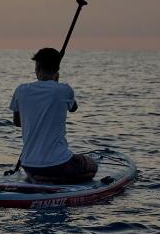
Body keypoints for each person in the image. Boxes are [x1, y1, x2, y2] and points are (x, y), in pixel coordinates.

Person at [10, 47, 98, 183]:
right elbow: (73, 107)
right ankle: (55, 177)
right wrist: (56, 83)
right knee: (92, 166)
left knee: (57, 166)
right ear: (57, 70)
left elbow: (17, 122)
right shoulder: (64, 90)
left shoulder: (21, 90)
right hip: (59, 164)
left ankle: (41, 176)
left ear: (37, 68)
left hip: (28, 165)